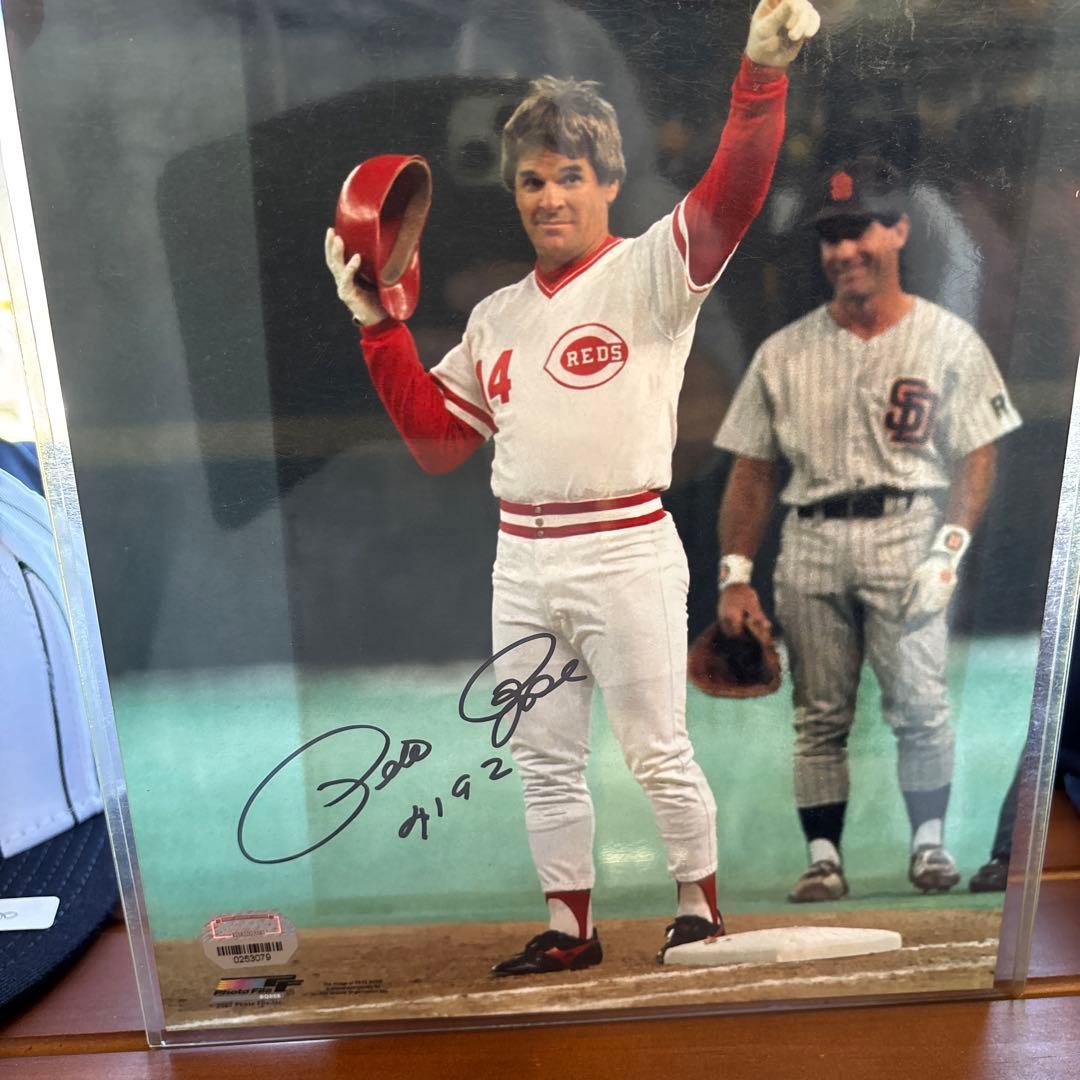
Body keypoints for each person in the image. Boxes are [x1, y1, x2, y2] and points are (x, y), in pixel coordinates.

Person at [325, 0, 820, 972]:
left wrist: (761, 77)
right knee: (543, 758)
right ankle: (569, 929)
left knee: (656, 749)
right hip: (522, 561)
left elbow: (730, 196)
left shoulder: (651, 273)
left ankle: (699, 911)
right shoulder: (497, 317)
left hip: (625, 547)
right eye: (533, 180)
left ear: (610, 182)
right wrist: (380, 330)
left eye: (569, 177)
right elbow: (438, 444)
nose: (550, 196)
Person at [713, 156, 1022, 903]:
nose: (845, 249)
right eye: (832, 237)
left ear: (899, 232)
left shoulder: (947, 337)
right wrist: (734, 576)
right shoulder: (784, 352)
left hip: (906, 529)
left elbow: (977, 453)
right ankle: (823, 858)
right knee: (818, 714)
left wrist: (948, 551)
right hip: (811, 538)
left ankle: (929, 846)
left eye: (861, 231)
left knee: (920, 704)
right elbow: (752, 471)